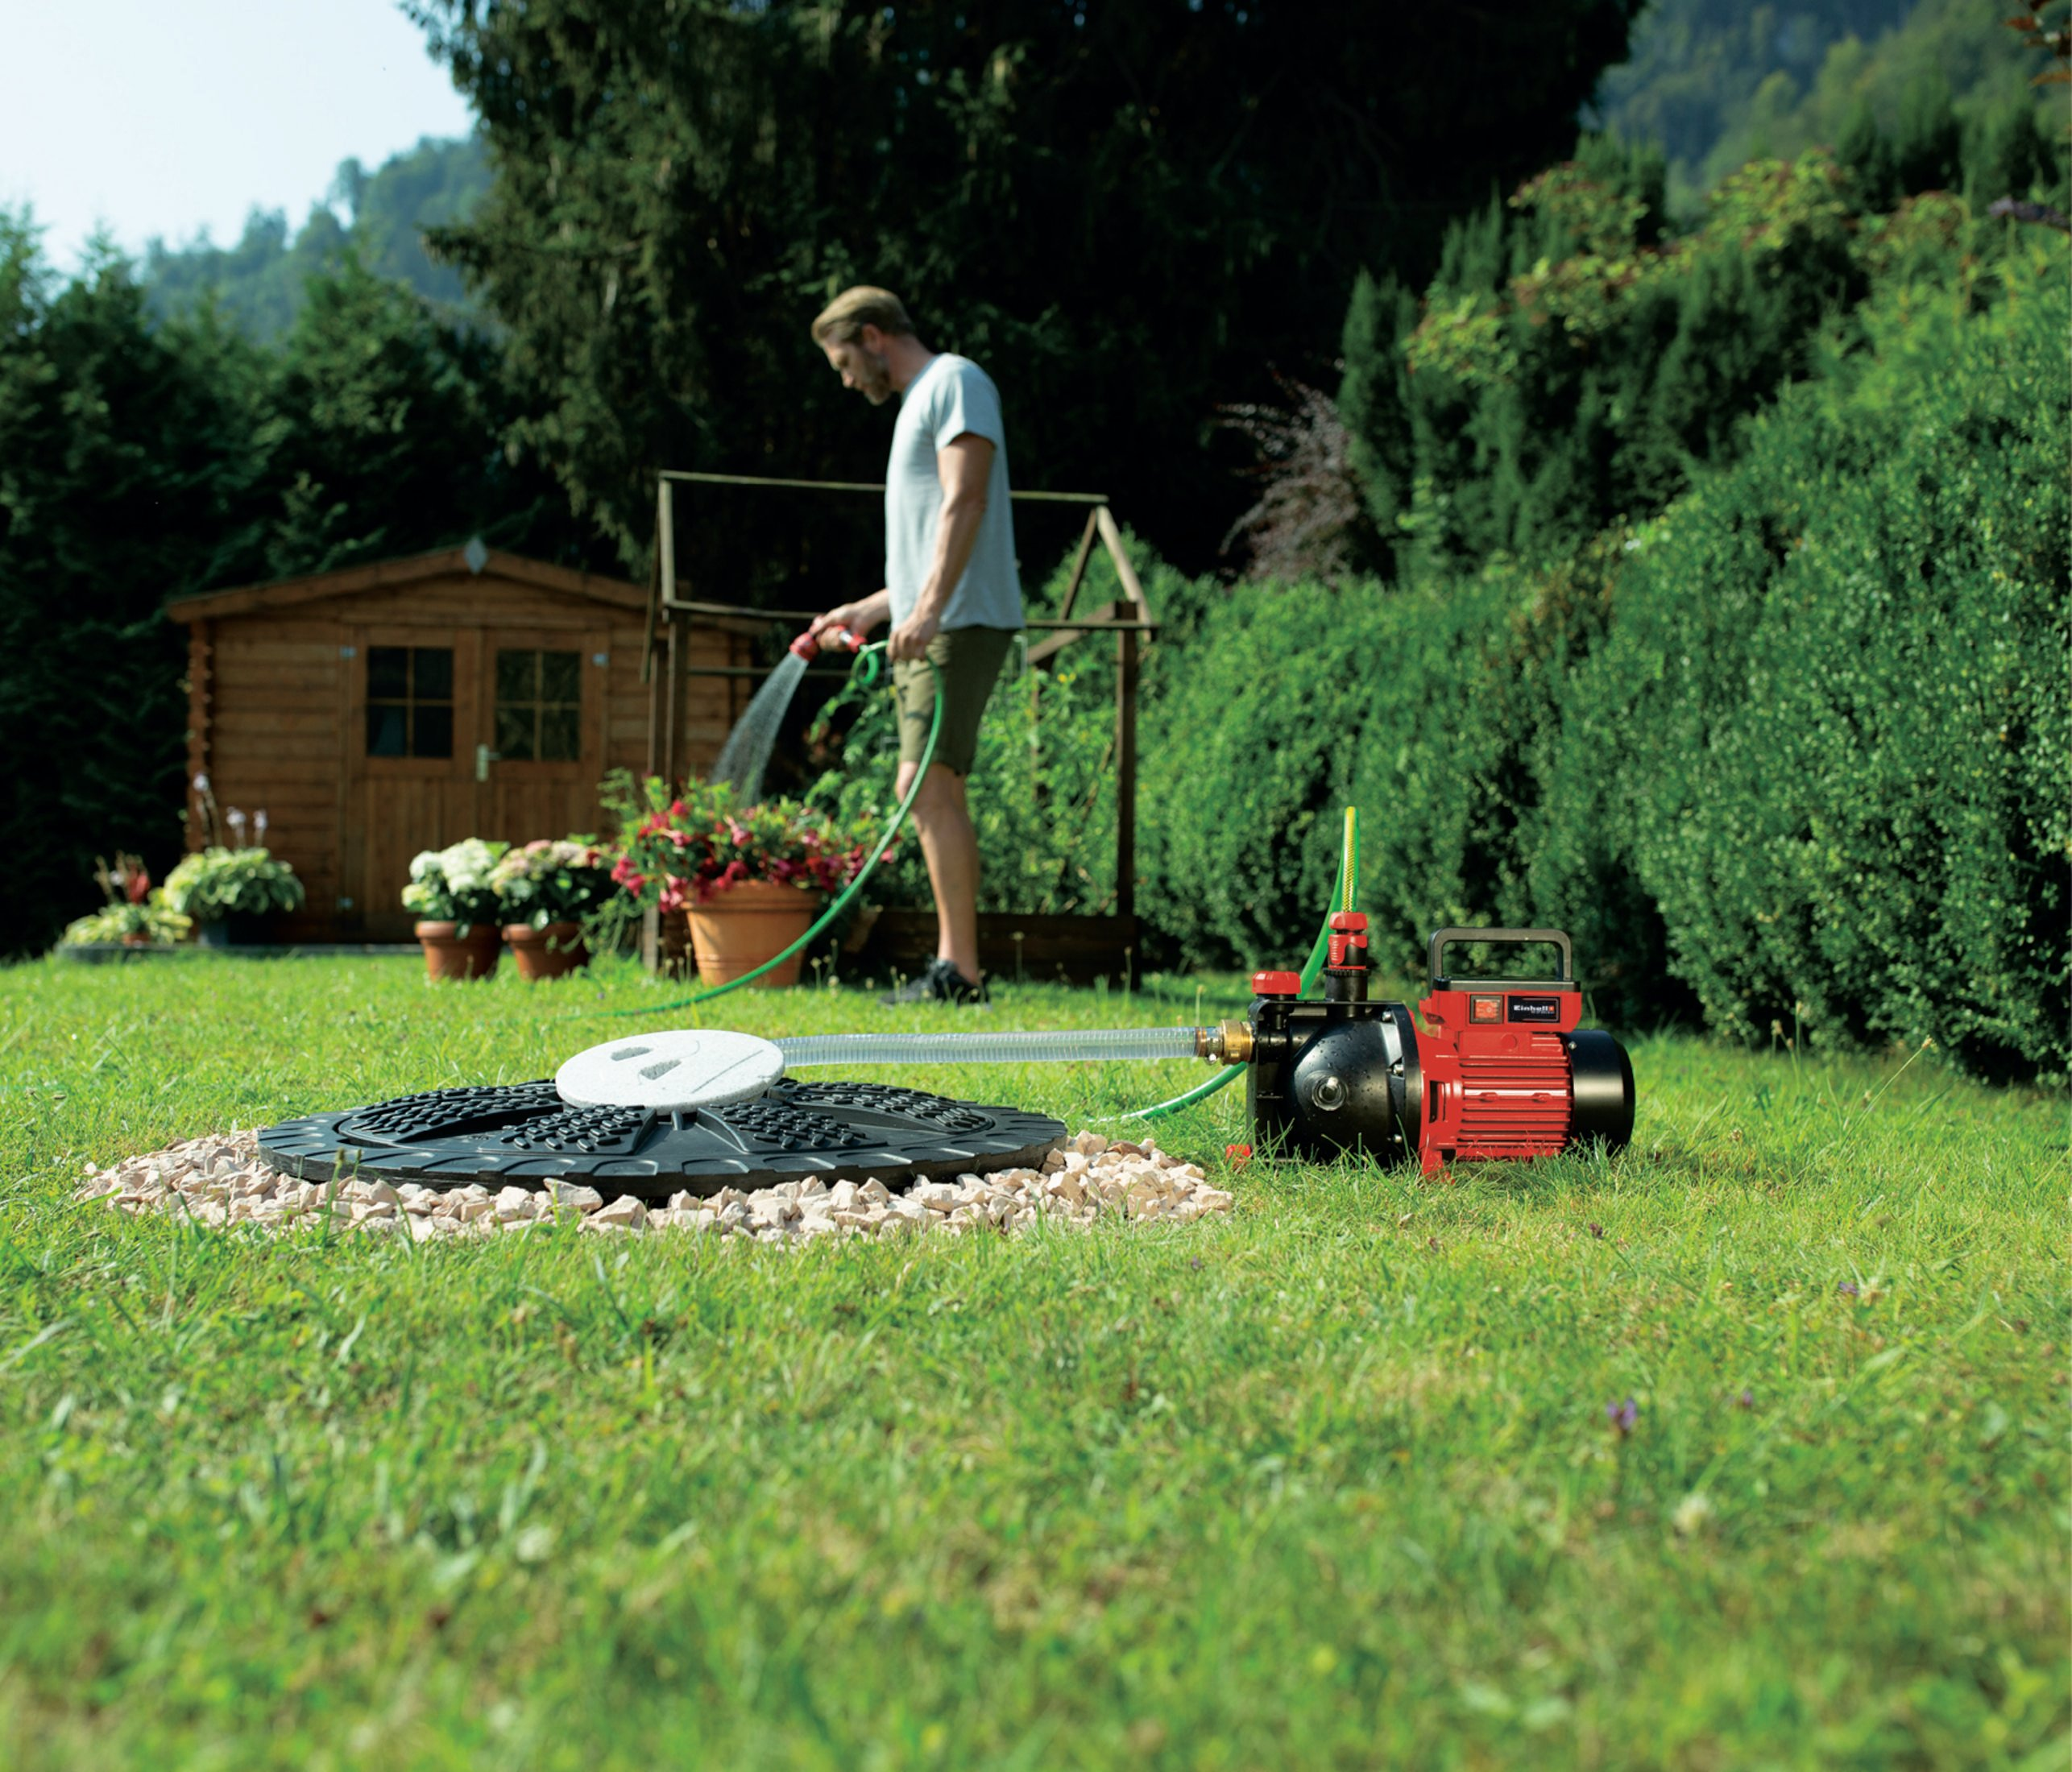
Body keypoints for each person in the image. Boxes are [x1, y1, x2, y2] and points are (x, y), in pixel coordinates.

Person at [807, 286, 1021, 1006]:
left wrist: (928, 611)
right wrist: (869, 609)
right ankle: (956, 968)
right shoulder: (918, 404)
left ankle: (960, 974)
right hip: (939, 618)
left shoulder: (954, 381)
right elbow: (931, 543)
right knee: (928, 787)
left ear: (872, 336)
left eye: (843, 361)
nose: (843, 379)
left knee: (928, 787)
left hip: (960, 622)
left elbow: (968, 501)